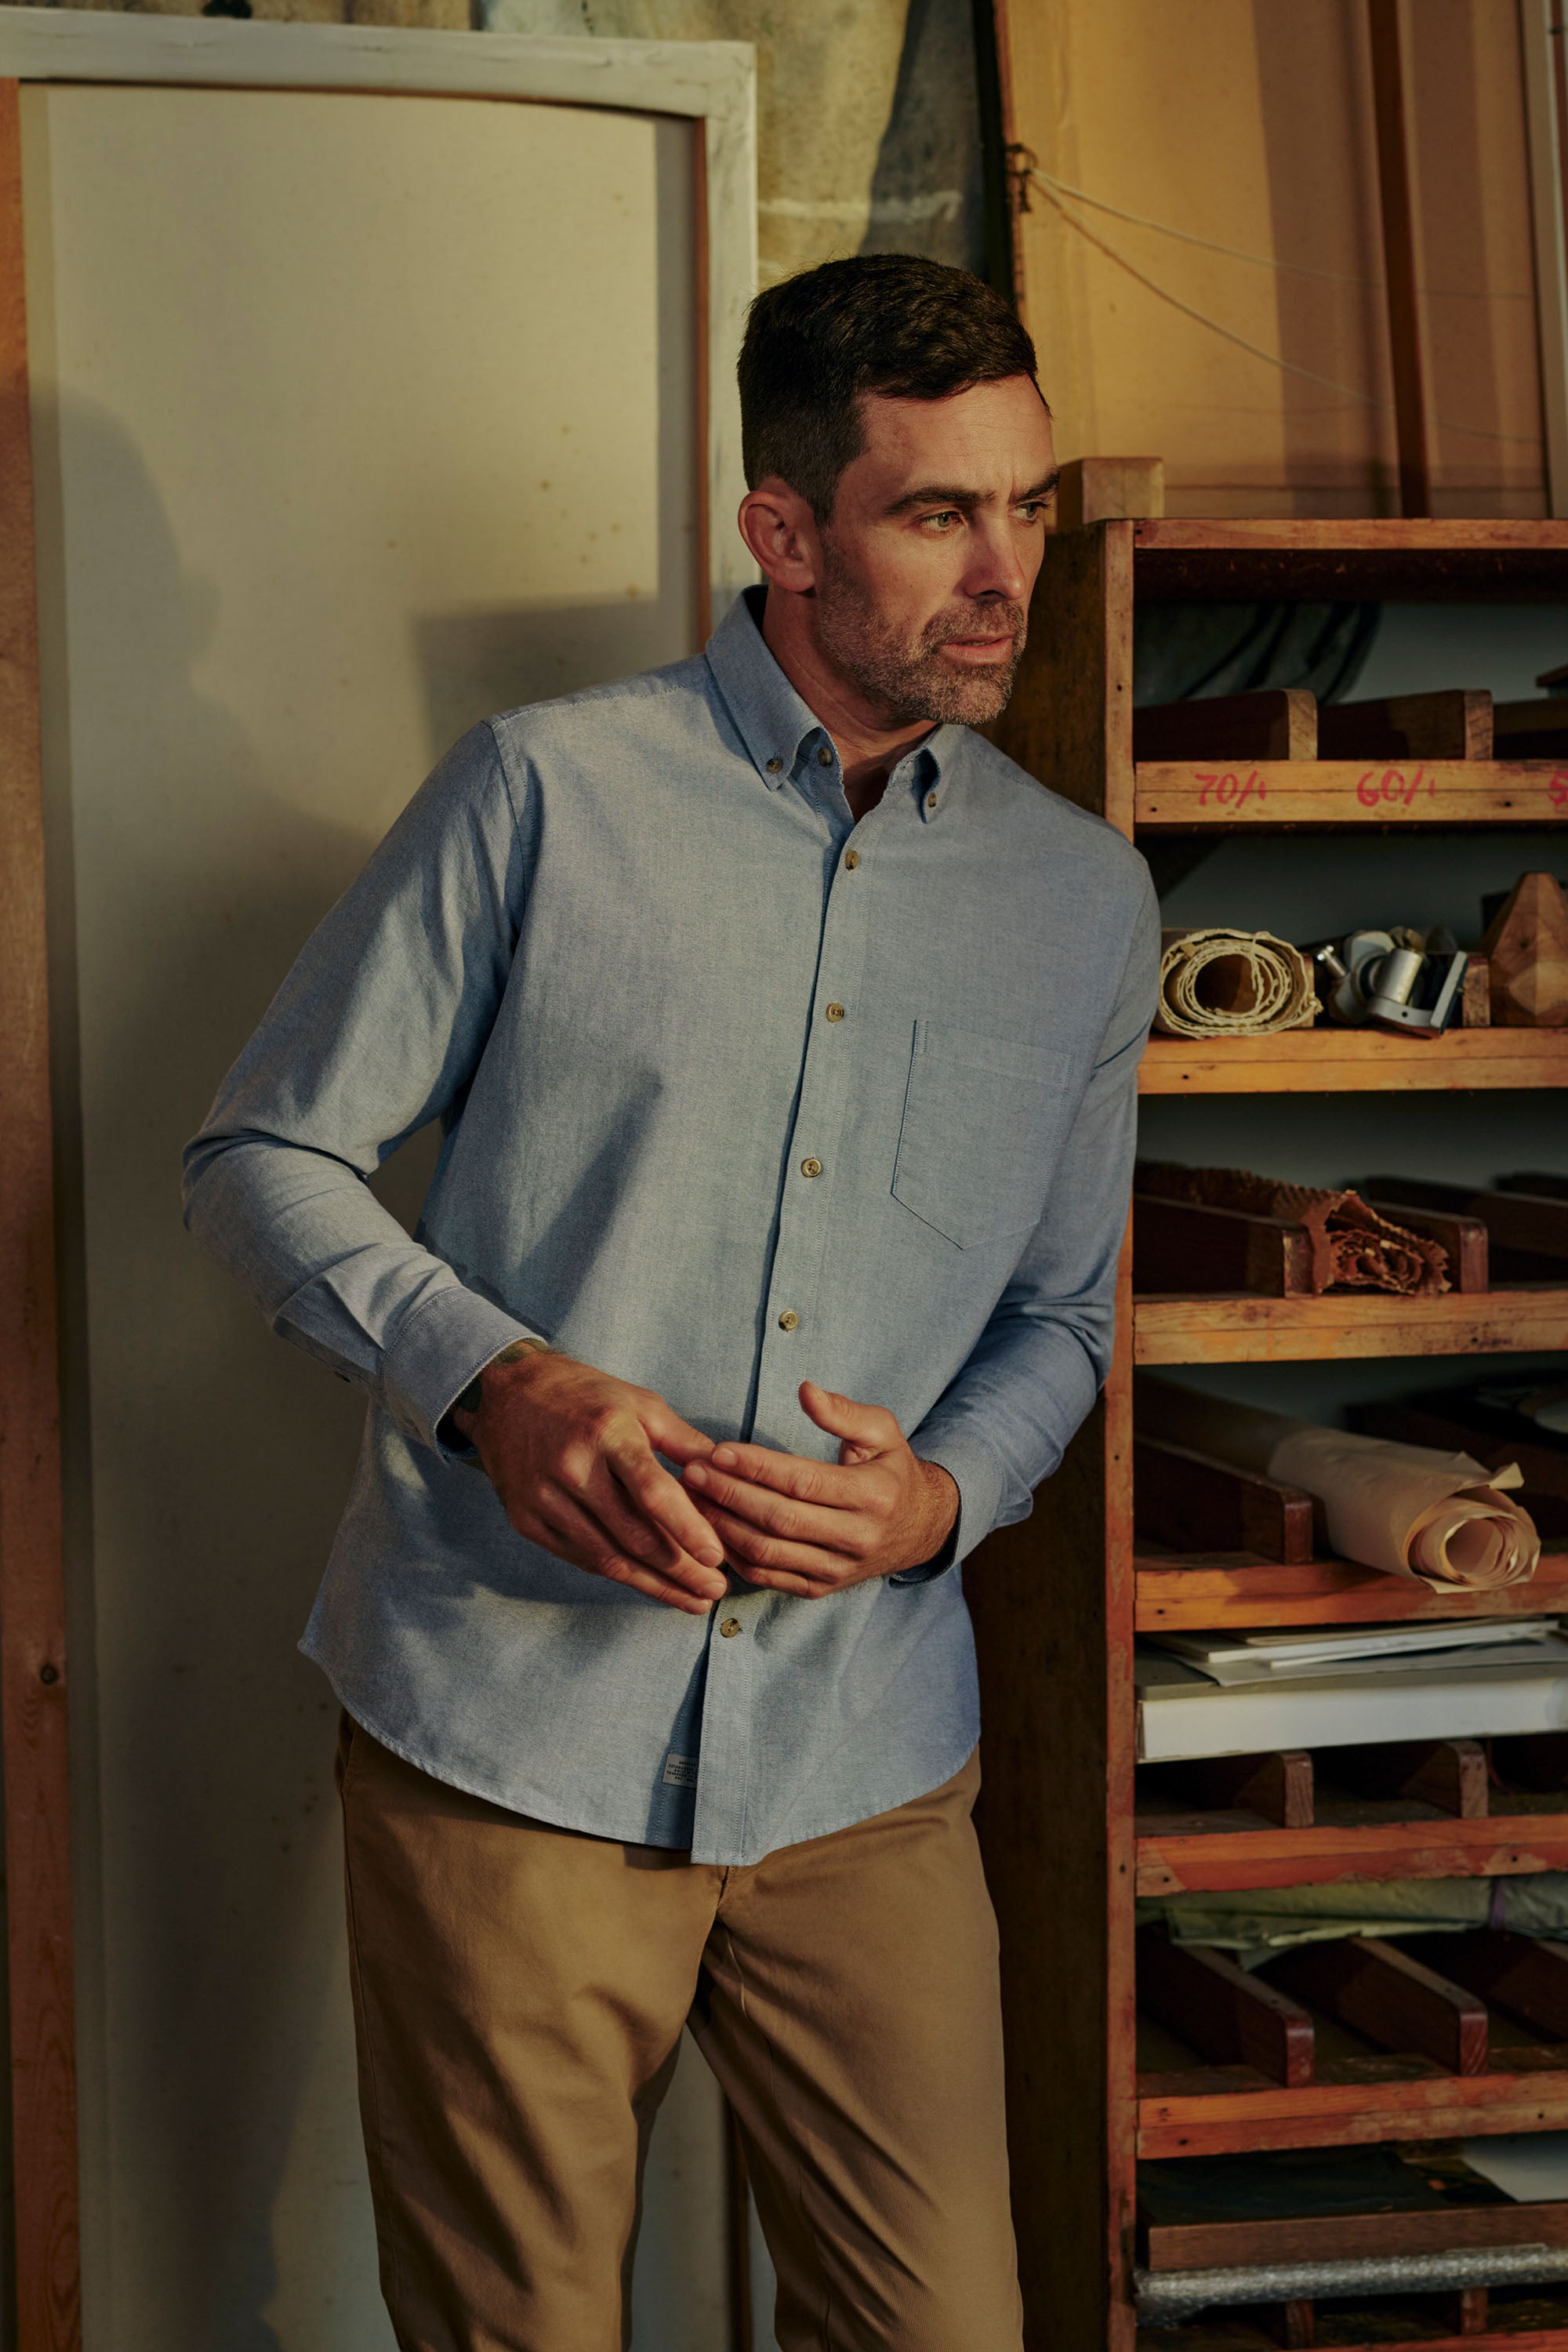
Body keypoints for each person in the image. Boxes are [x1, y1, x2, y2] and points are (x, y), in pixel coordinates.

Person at [183, 251, 1159, 2352]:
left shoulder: (1084, 900)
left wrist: (944, 1501)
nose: (1009, 574)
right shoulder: (545, 791)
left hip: (863, 1751)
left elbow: (1063, 1325)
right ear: (783, 533)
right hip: (509, 1732)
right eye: (938, 515)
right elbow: (259, 1154)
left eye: (1029, 506)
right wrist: (494, 1383)